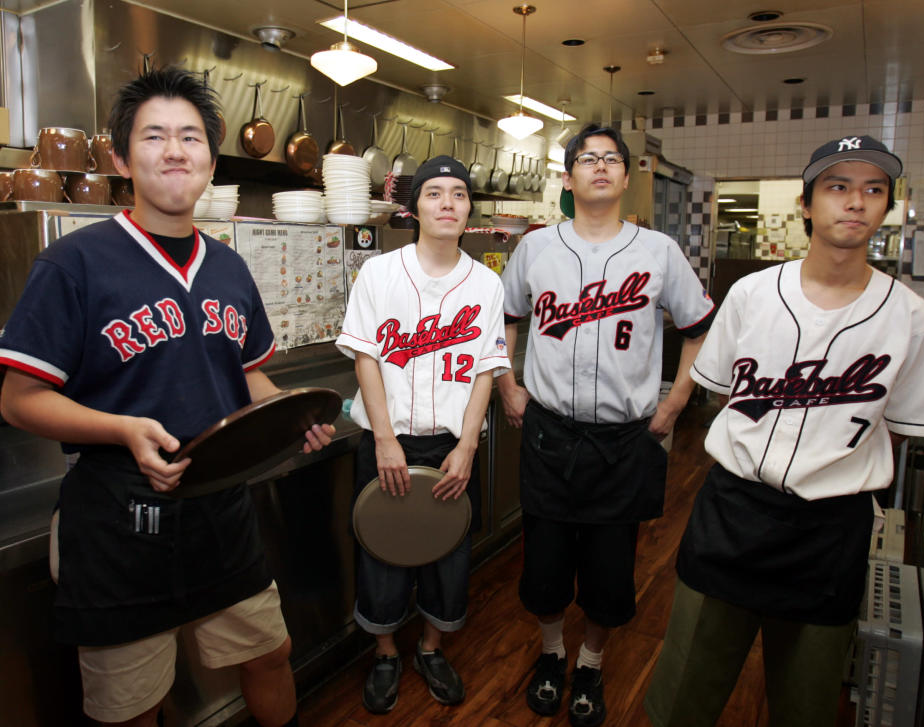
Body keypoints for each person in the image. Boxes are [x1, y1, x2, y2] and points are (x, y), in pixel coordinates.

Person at [0, 67, 334, 727]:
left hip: (221, 511)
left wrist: (288, 413)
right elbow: (18, 398)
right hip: (117, 520)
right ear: (123, 158)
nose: (175, 150)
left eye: (190, 137)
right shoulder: (75, 262)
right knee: (132, 706)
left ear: (211, 159)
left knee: (272, 653)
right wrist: (124, 428)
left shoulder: (230, 266)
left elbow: (247, 375)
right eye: (154, 136)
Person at [643, 135, 924, 727]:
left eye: (872, 190)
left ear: (886, 207)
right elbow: (726, 394)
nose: (855, 202)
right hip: (734, 512)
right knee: (684, 694)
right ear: (806, 205)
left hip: (831, 530)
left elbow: (901, 428)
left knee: (805, 702)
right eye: (837, 187)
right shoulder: (752, 295)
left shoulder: (911, 317)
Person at [497, 124, 716, 727]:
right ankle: (551, 652)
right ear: (567, 178)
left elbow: (700, 329)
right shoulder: (537, 249)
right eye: (586, 159)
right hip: (548, 433)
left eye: (611, 159)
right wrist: (508, 384)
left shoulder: (658, 252)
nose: (599, 167)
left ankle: (590, 661)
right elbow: (505, 319)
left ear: (625, 175)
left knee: (609, 570)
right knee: (542, 567)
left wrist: (672, 406)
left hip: (624, 439)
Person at [335, 155, 510, 714]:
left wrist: (468, 446)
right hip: (389, 443)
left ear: (468, 210)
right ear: (415, 208)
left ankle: (431, 648)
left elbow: (486, 366)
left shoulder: (485, 282)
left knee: (449, 559)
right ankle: (386, 652)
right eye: (435, 193)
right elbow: (365, 357)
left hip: (449, 447)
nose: (447, 204)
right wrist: (384, 439)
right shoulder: (381, 273)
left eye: (458, 194)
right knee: (381, 556)